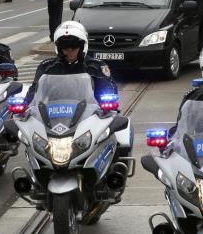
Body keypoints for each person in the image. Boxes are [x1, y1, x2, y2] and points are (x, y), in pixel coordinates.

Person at [24, 21, 127, 154]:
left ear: (82, 46)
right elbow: (34, 91)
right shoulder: (47, 67)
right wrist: (25, 105)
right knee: (31, 143)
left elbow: (108, 89)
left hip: (88, 117)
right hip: (53, 118)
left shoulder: (95, 66)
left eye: (74, 47)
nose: (70, 51)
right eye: (66, 48)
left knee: (116, 139)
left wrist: (107, 102)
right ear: (59, 48)